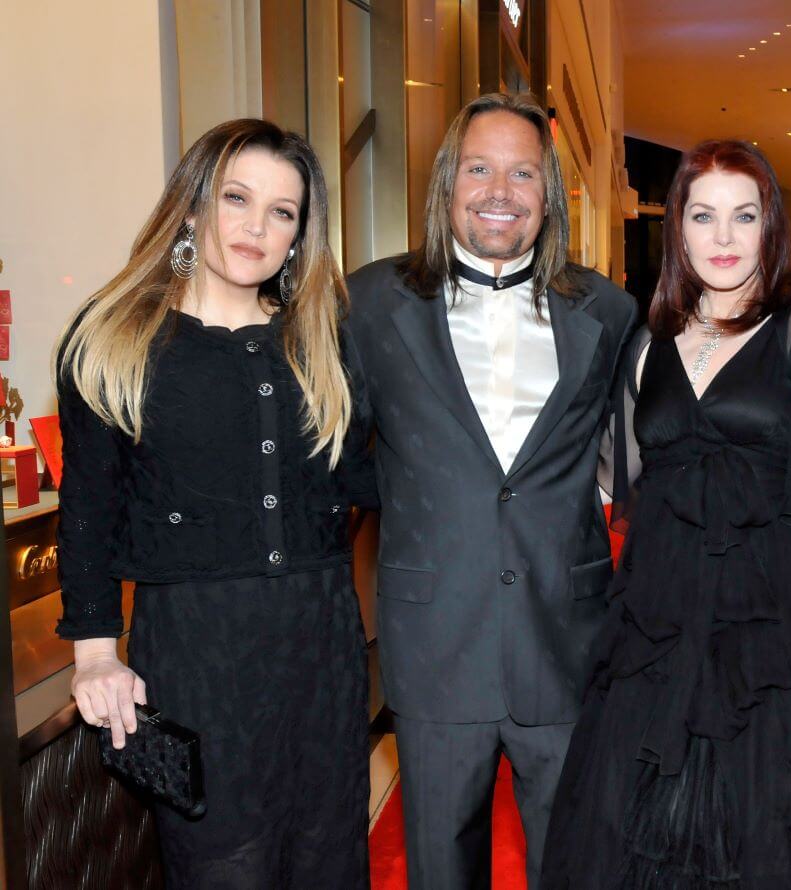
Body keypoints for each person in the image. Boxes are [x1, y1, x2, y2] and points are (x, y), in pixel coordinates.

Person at [541, 140, 791, 889]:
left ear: (769, 227)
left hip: (769, 621)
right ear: (677, 228)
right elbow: (611, 484)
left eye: (746, 215)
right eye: (704, 217)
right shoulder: (647, 345)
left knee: (772, 830)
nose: (725, 237)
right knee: (644, 830)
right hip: (659, 620)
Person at [56, 119, 375, 888]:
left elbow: (368, 482)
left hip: (321, 646)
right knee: (220, 868)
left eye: (282, 211)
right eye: (237, 198)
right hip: (194, 652)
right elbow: (88, 509)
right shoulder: (113, 339)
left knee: (329, 859)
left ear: (300, 233)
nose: (255, 227)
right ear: (193, 206)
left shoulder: (325, 343)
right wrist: (95, 652)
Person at [345, 92, 637, 890]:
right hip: (435, 645)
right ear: (447, 183)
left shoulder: (609, 312)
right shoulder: (368, 305)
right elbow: (335, 466)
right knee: (440, 869)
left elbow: (637, 462)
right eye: (480, 168)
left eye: (522, 173)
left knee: (575, 864)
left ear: (550, 198)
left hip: (566, 641)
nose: (500, 191)